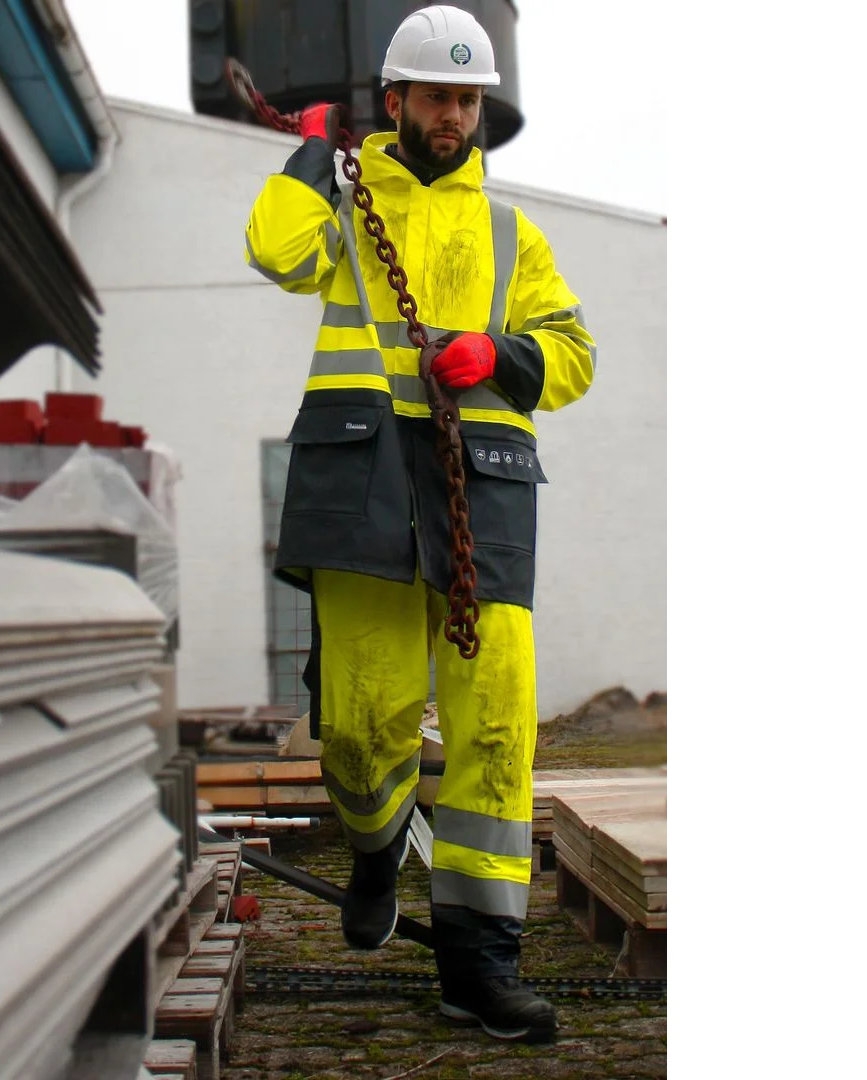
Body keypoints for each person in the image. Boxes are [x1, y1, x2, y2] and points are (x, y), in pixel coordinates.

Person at [244, 4, 595, 1044]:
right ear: (395, 100)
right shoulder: (349, 209)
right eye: (437, 97)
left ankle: (480, 967)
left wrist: (505, 357)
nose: (454, 116)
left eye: (468, 101)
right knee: (362, 721)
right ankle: (374, 843)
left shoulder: (512, 234)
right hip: (361, 477)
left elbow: (573, 352)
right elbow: (273, 250)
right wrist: (314, 153)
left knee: (495, 728)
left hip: (482, 490)